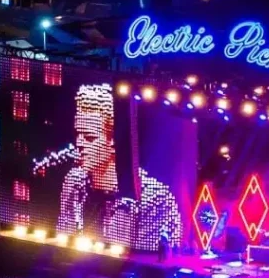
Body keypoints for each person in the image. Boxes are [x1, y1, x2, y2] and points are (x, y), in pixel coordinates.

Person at [57, 83, 182, 252]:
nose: (79, 144)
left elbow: (145, 260)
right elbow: (62, 240)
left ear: (113, 142)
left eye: (89, 137)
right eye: (77, 135)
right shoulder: (74, 182)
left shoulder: (156, 198)